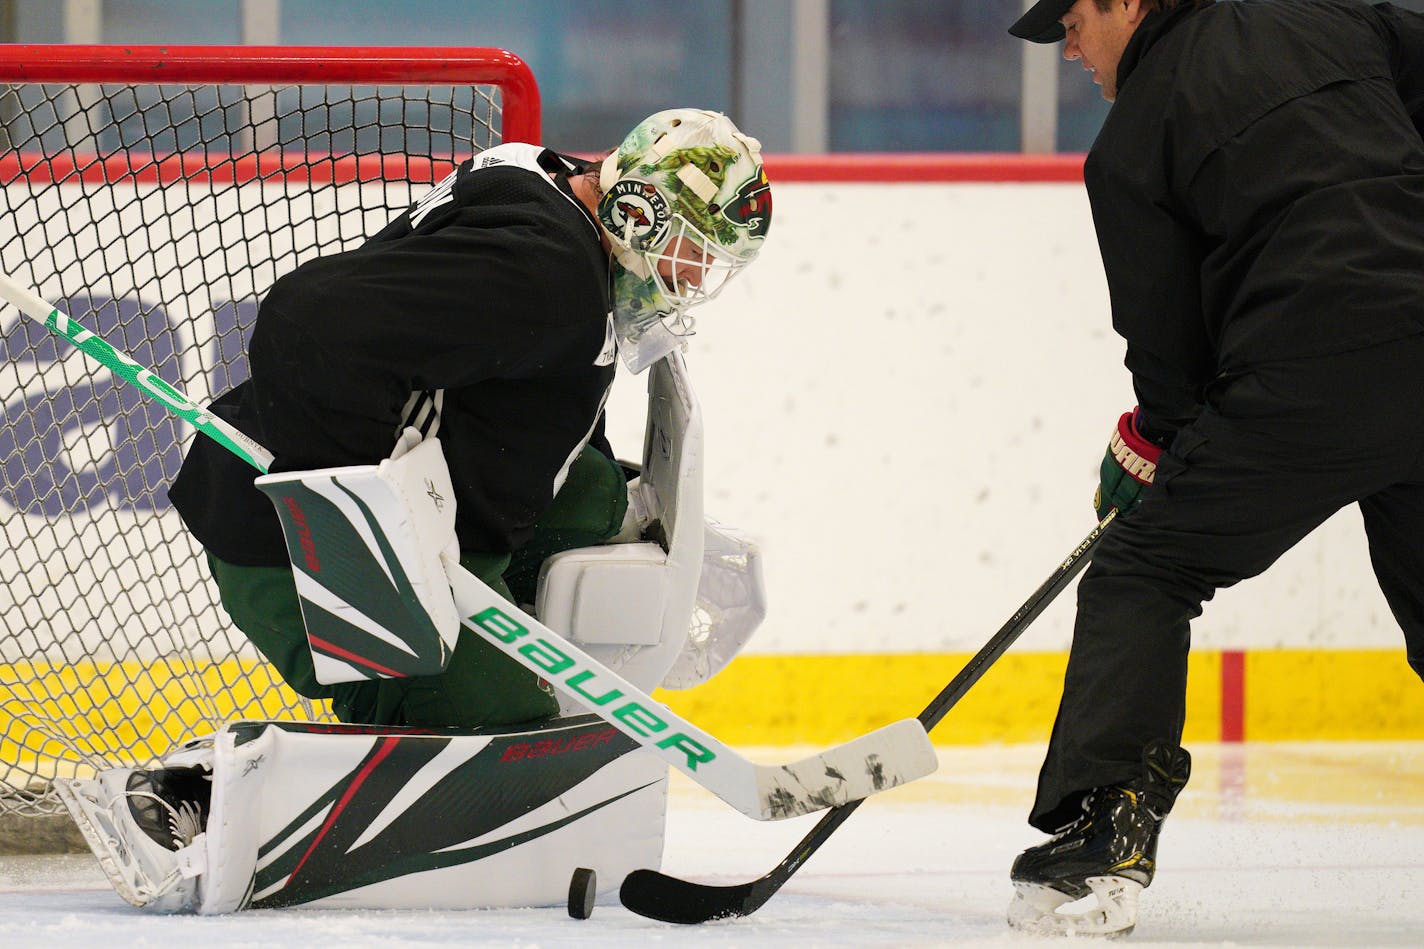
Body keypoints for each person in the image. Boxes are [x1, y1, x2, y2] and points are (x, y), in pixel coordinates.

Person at [1004, 0, 1424, 936]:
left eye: (1071, 20)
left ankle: (1100, 834)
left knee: (1146, 569)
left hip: (1305, 375)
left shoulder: (1128, 145)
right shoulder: (1328, 12)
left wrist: (1153, 449)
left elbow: (1169, 351)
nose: (1068, 48)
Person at [168, 108, 773, 731]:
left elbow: (523, 383)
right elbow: (307, 322)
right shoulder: (550, 278)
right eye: (693, 250)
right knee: (505, 730)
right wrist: (364, 532)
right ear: (636, 211)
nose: (695, 276)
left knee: (592, 492)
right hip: (287, 544)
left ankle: (475, 650)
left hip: (422, 495)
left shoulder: (544, 178)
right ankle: (230, 781)